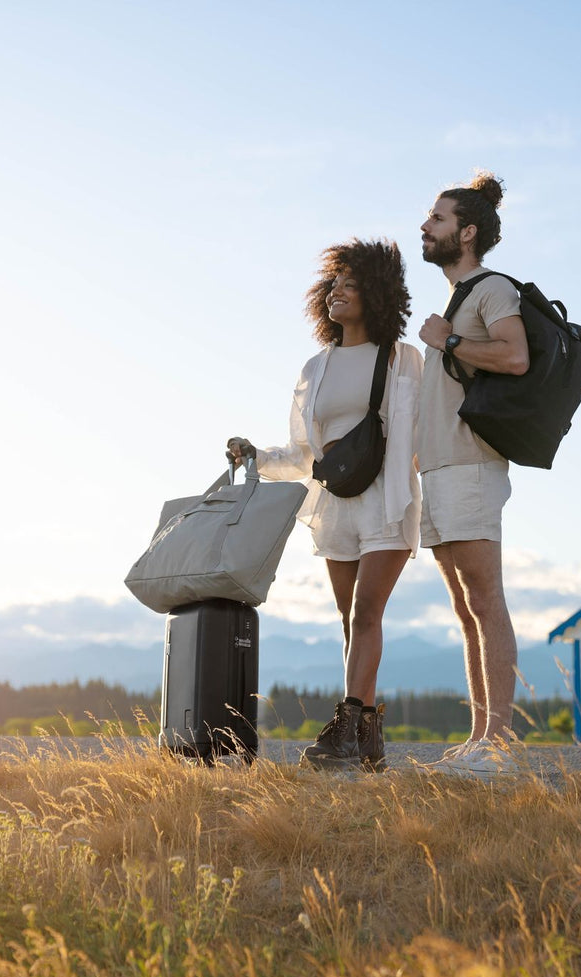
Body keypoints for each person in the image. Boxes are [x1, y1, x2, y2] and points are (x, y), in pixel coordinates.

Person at [225, 238, 422, 772]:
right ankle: (369, 732)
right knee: (346, 617)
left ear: (376, 294)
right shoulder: (315, 367)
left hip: (386, 499)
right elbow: (302, 453)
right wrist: (257, 456)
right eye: (334, 284)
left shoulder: (403, 359)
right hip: (336, 502)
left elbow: (423, 434)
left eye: (351, 284)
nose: (338, 292)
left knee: (366, 612)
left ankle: (346, 725)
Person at [412, 172, 530, 779]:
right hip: (439, 470)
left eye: (436, 219)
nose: (424, 228)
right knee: (465, 607)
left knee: (485, 600)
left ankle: (500, 747)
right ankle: (479, 739)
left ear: (467, 232)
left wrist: (449, 340)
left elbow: (514, 357)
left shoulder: (491, 291)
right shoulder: (457, 303)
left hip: (471, 468)